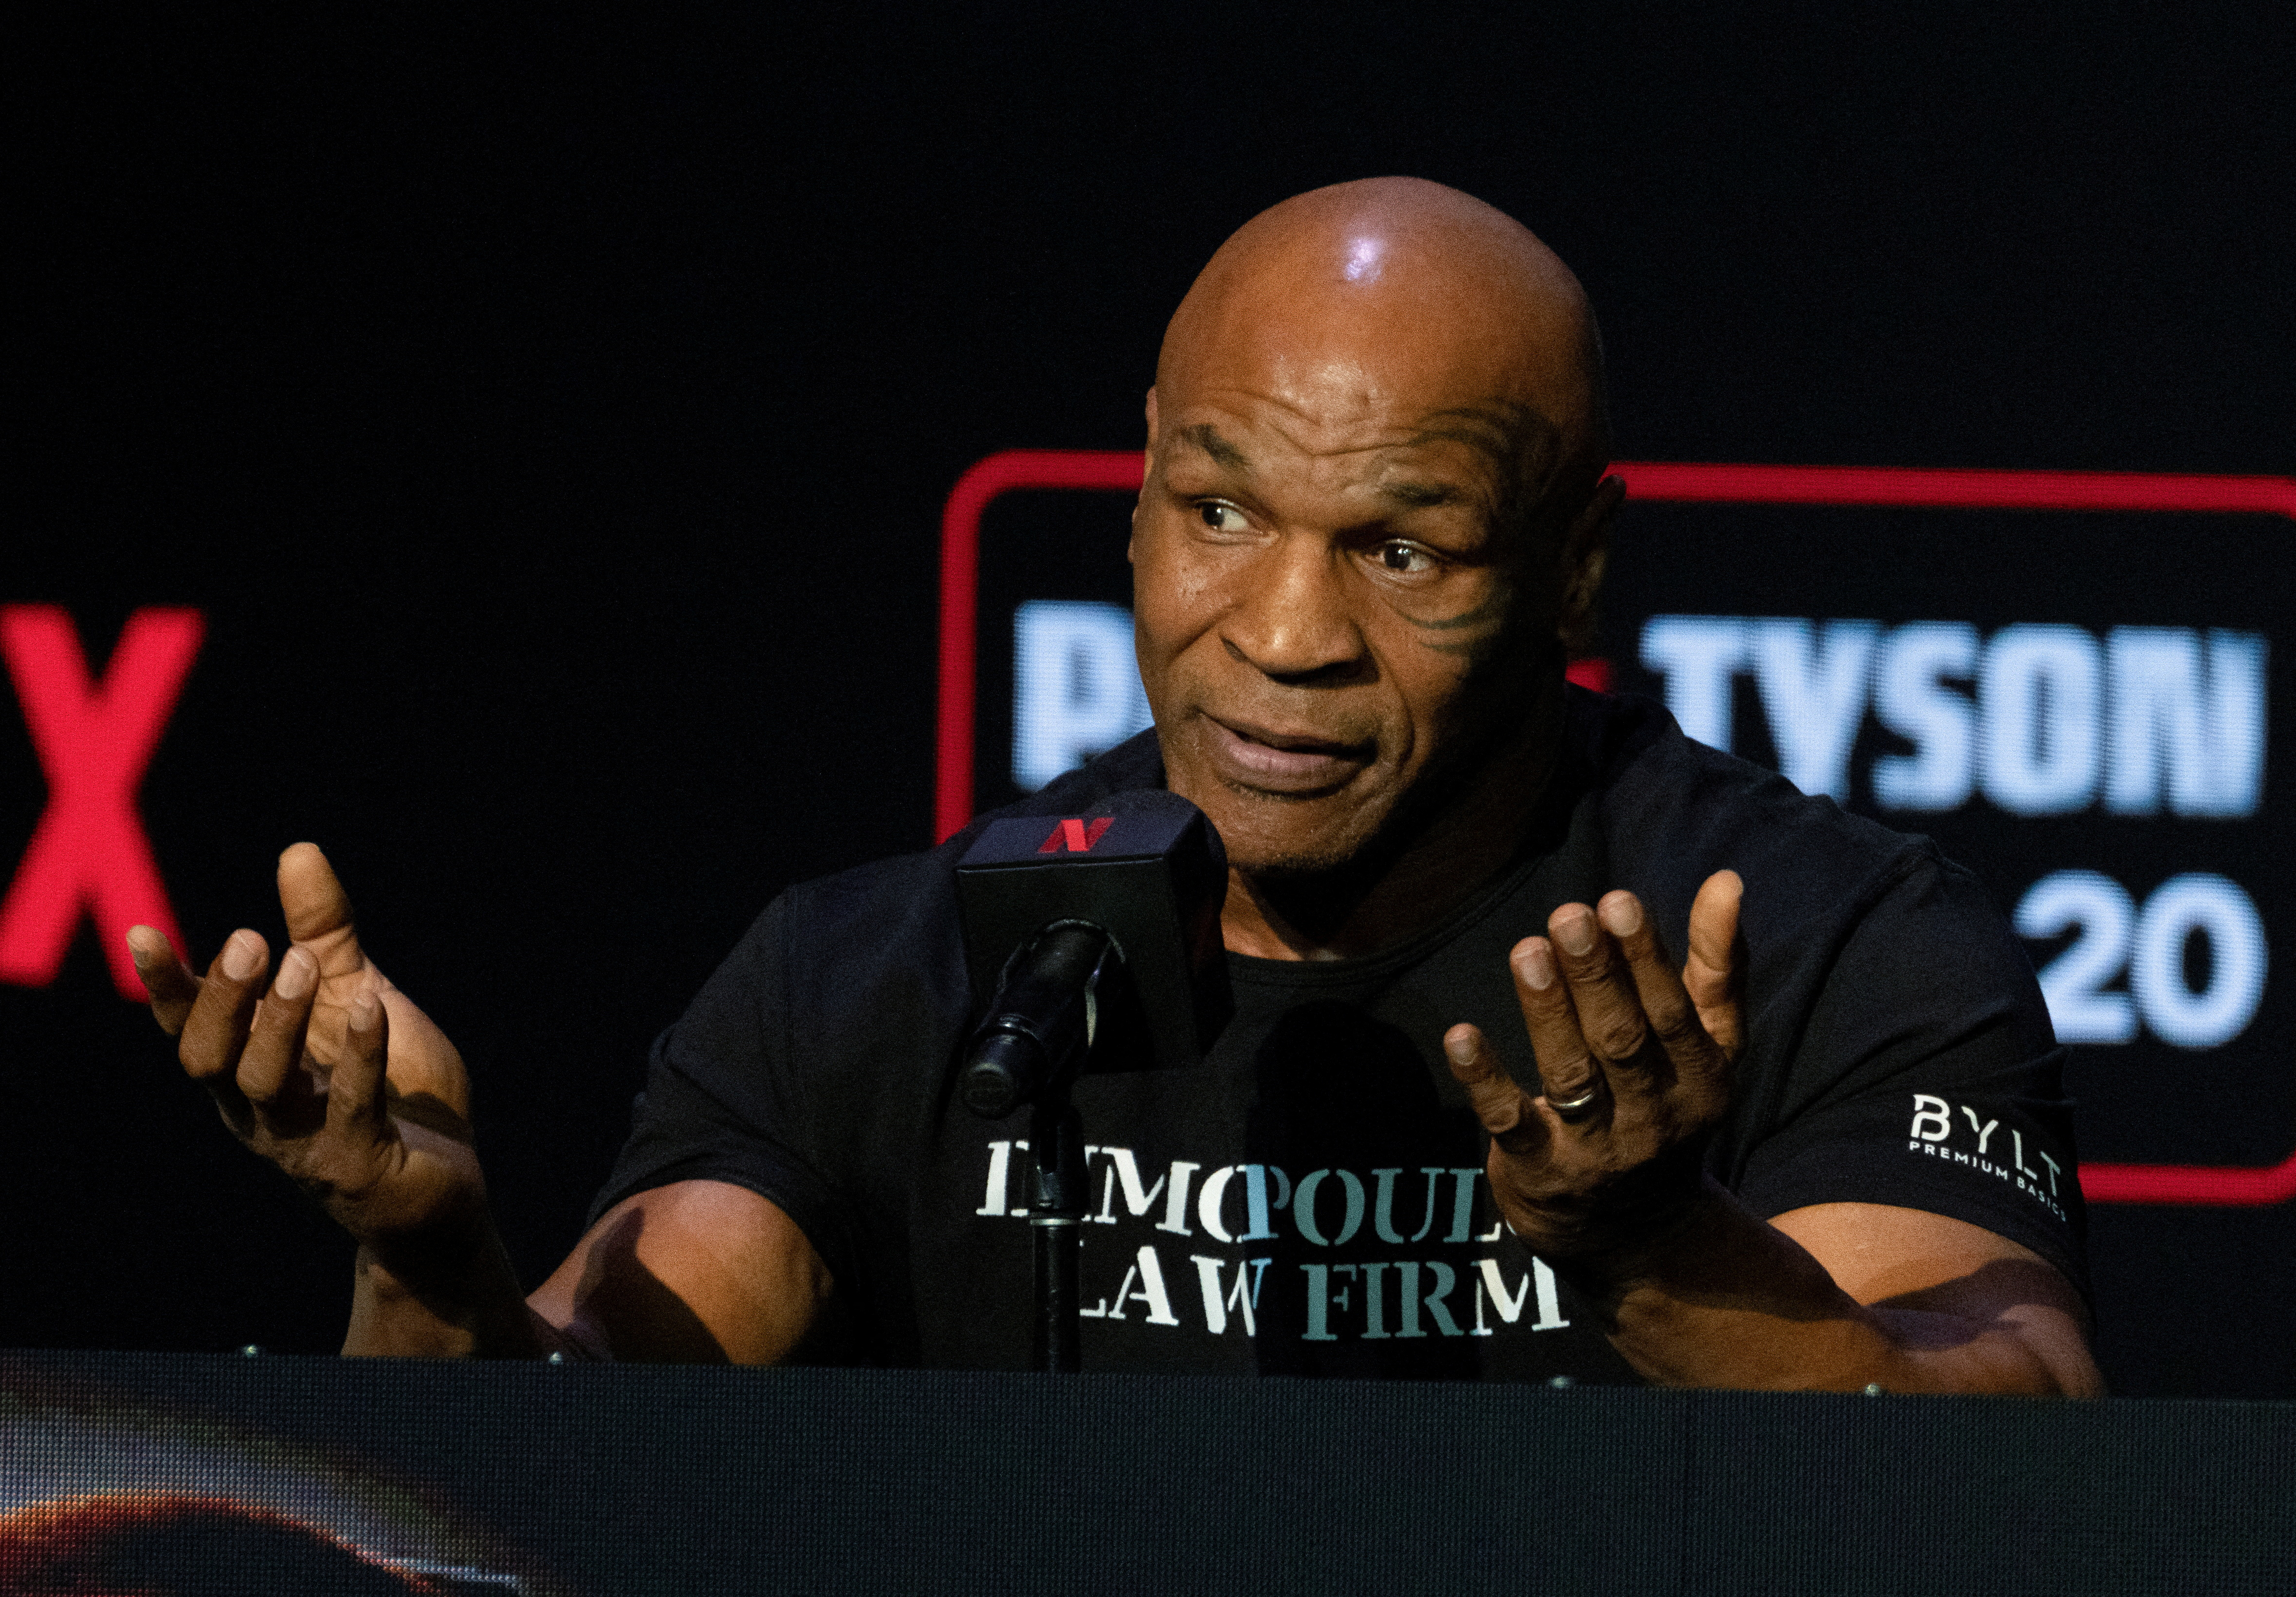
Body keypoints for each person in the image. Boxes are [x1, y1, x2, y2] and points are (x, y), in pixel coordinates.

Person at [131, 178, 2101, 1393]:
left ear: (1571, 568)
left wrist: (1662, 1258)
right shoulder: (875, 983)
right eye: (1220, 509)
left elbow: (2011, 1447)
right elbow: (560, 1483)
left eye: (1402, 548)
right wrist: (423, 1262)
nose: (1283, 630)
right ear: (1141, 480)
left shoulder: (1818, 948)